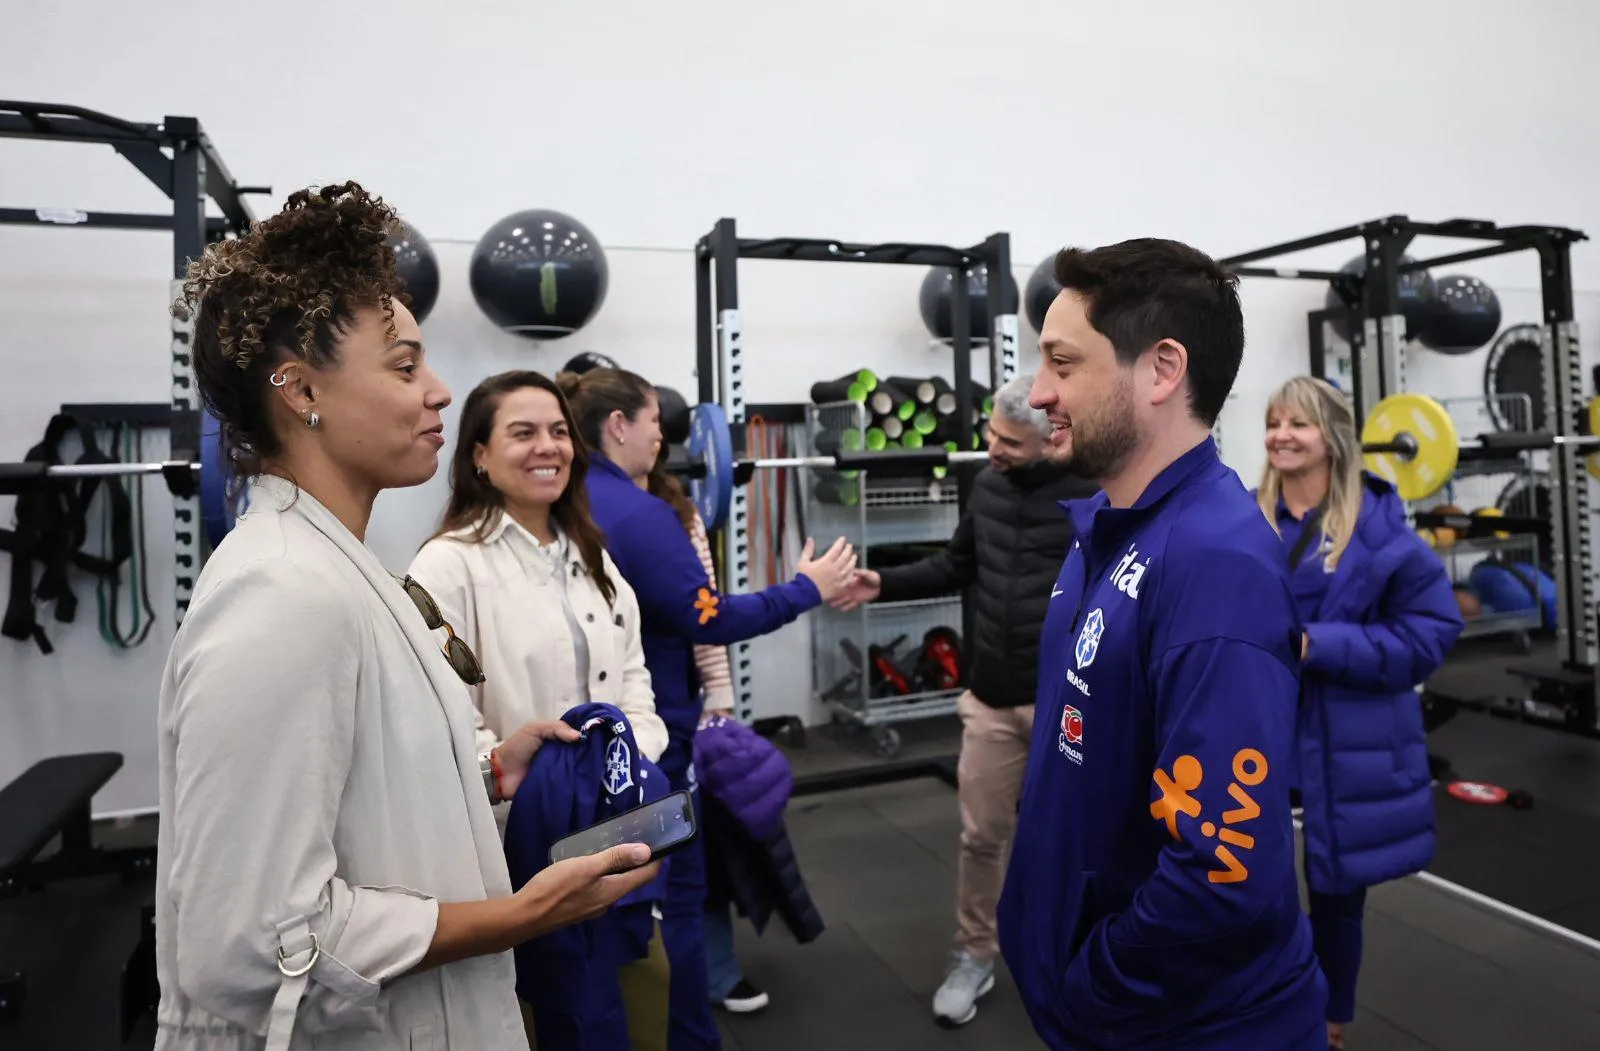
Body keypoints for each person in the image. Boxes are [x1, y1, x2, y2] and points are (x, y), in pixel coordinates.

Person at [152, 182, 659, 1051]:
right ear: (301, 388)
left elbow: (358, 789)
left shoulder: (347, 571)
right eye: (404, 365)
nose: (437, 389)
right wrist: (513, 915)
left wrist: (491, 768)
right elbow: (245, 942)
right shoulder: (282, 595)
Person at [996, 238, 1327, 1051]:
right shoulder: (1108, 529)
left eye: (1063, 364)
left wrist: (1094, 987)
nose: (1039, 393)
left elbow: (1223, 873)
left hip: (1177, 1026)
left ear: (1161, 369)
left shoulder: (1214, 564)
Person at [558, 367, 857, 1051]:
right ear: (617, 426)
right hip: (655, 739)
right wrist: (806, 588)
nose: (663, 438)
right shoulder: (639, 515)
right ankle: (692, 1036)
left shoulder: (574, 500)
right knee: (677, 900)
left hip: (594, 739)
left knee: (611, 905)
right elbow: (711, 617)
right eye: (654, 424)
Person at [405, 368, 673, 1047]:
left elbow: (632, 673)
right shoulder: (446, 566)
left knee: (640, 993)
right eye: (522, 432)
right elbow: (446, 716)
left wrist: (631, 755)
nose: (546, 446)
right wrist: (523, 778)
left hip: (615, 824)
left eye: (558, 431)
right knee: (547, 1012)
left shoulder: (591, 553)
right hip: (514, 850)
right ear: (480, 455)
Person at [829, 372, 1098, 1027]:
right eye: (991, 433)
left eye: (1007, 440)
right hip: (991, 696)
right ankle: (975, 954)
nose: (992, 446)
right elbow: (957, 564)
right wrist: (879, 581)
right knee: (981, 837)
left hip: (1068, 699)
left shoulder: (1093, 491)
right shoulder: (986, 484)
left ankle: (1083, 958)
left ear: (1050, 437)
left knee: (1077, 838)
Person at [1257, 376, 1464, 1051]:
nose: (1282, 435)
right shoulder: (1247, 518)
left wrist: (1322, 643)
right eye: (1274, 422)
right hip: (1260, 727)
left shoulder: (1378, 530)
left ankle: (1328, 1019)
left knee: (1337, 889)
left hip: (1345, 737)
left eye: (1300, 424)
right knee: (1245, 875)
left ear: (1333, 438)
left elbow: (1429, 633)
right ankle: (1256, 1000)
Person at [640, 442, 771, 1015]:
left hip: (680, 714)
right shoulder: (580, 511)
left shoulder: (679, 513)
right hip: (616, 714)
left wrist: (718, 703)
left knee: (696, 848)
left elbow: (707, 617)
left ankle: (714, 973)